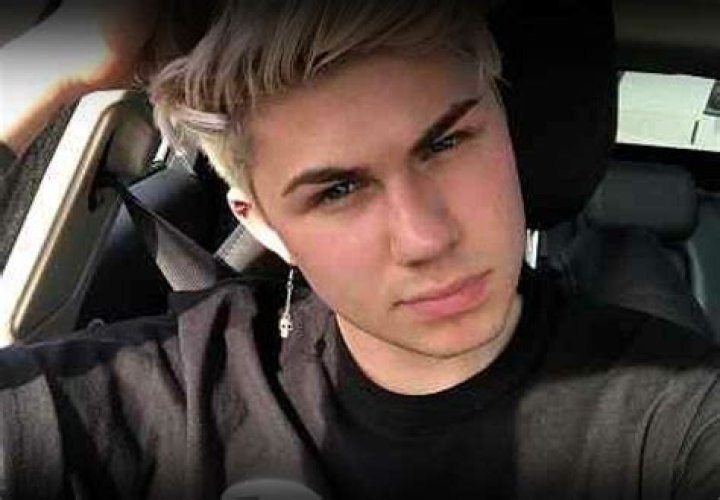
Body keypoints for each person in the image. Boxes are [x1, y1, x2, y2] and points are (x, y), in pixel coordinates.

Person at [0, 1, 719, 499]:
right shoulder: (164, 399)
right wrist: (48, 64)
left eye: (446, 143)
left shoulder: (677, 410)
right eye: (338, 191)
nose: (426, 237)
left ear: (507, 127)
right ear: (265, 225)